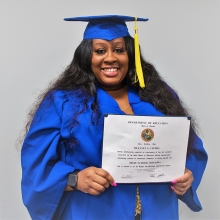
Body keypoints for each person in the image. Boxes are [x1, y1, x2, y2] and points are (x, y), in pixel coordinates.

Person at [21, 15, 208, 220]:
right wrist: (74, 179)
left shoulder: (159, 97)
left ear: (130, 54)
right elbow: (36, 164)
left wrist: (186, 176)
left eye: (119, 50)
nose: (110, 58)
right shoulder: (64, 101)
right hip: (93, 212)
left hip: (157, 211)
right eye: (100, 51)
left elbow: (189, 148)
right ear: (86, 57)